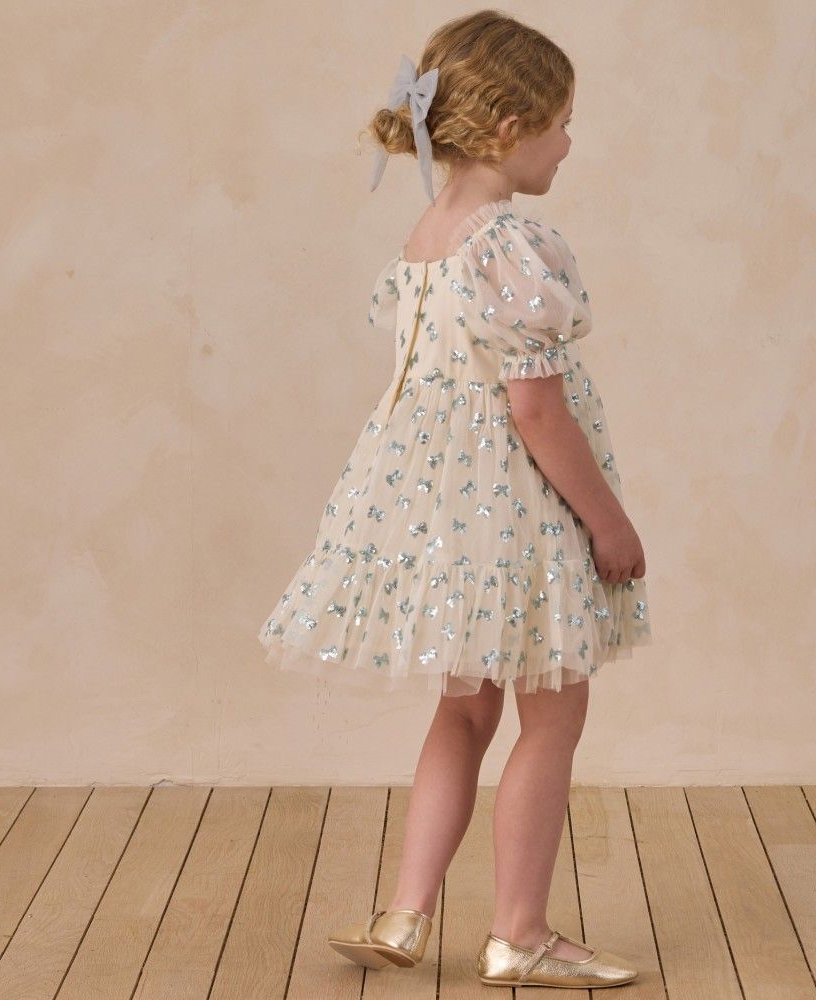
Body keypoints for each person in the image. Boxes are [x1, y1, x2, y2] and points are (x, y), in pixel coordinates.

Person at [259, 8, 652, 990]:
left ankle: (405, 911)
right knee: (552, 714)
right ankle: (519, 931)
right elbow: (534, 410)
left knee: (463, 710)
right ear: (511, 127)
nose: (570, 143)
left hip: (438, 514)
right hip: (514, 509)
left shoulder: (427, 237)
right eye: (562, 123)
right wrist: (608, 521)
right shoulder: (511, 243)